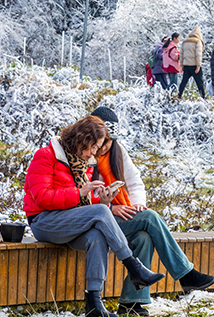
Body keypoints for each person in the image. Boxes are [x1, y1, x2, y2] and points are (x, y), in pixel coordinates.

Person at [24, 116, 165, 317]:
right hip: (44, 221)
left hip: (71, 221)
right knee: (101, 213)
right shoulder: (46, 155)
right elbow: (41, 197)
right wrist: (81, 193)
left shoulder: (85, 163)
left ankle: (94, 304)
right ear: (81, 138)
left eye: (96, 148)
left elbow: (85, 205)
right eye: (92, 147)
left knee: (97, 236)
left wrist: (105, 200)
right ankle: (134, 267)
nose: (93, 153)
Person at [88, 107, 214, 315]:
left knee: (143, 237)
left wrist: (137, 203)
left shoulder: (118, 153)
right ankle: (186, 274)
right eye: (101, 142)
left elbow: (135, 182)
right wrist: (111, 207)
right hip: (97, 220)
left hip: (117, 216)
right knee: (150, 218)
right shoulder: (85, 155)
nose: (103, 148)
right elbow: (82, 197)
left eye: (108, 143)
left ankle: (131, 303)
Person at [177, 26, 206, 99]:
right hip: (194, 65)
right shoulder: (197, 41)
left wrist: (182, 64)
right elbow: (198, 54)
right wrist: (198, 65)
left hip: (186, 65)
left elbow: (181, 54)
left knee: (183, 81)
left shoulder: (185, 41)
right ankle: (203, 96)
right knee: (199, 82)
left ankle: (179, 95)